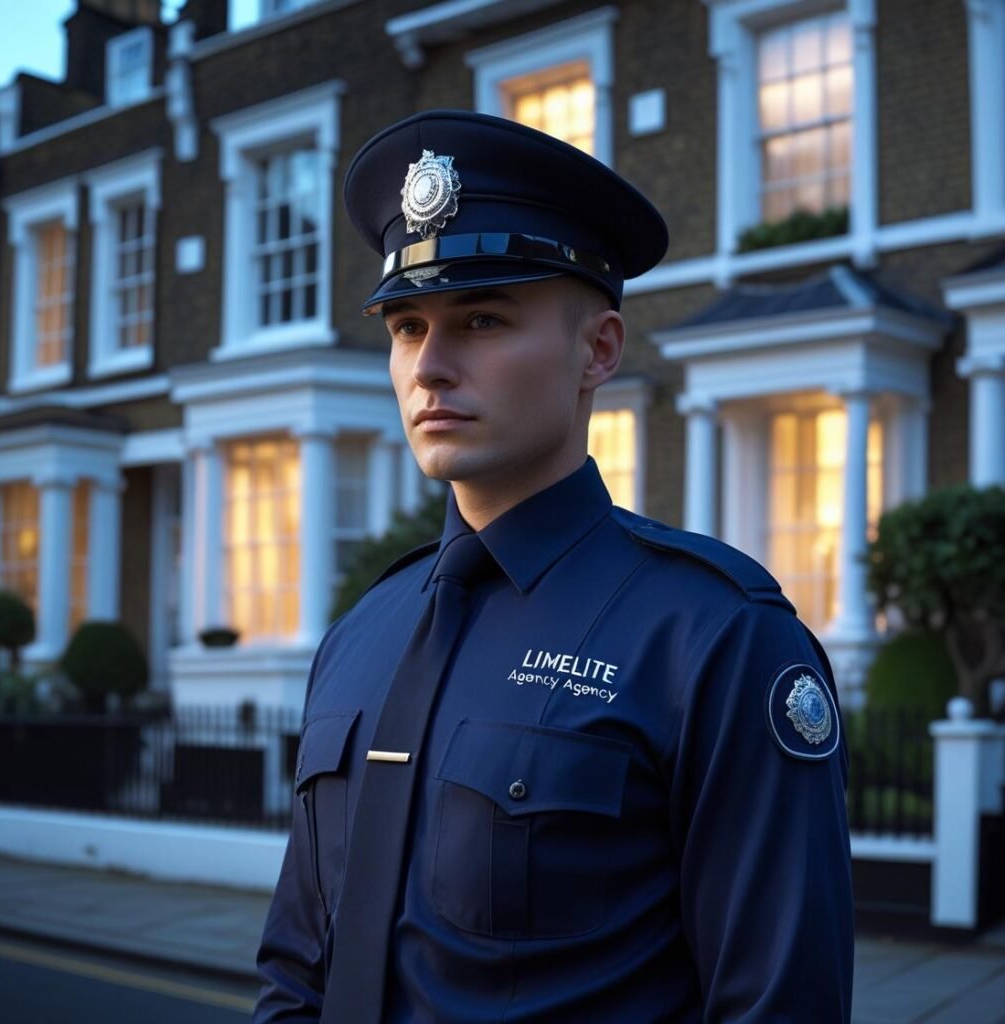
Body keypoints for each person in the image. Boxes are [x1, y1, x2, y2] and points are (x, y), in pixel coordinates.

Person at [254, 109, 854, 1023]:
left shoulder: (716, 639)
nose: (431, 368)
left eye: (482, 318)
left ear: (598, 350)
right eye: (408, 326)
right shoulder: (359, 634)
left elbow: (780, 1005)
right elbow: (296, 974)